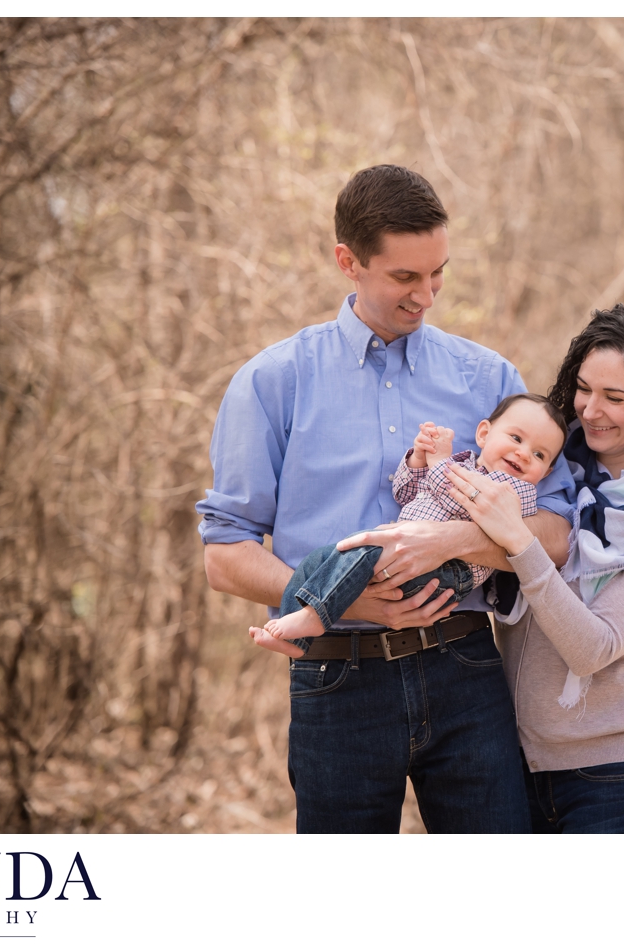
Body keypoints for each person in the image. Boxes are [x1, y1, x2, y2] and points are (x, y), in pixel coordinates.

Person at [197, 164, 576, 833]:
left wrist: (457, 541)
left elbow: (555, 530)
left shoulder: (489, 380)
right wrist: (336, 596)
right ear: (348, 261)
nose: (427, 295)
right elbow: (225, 555)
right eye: (406, 277)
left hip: (466, 668)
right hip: (338, 681)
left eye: (438, 273)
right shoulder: (272, 383)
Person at [439, 303, 624, 833]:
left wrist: (518, 539)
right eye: (584, 388)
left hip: (621, 776)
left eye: (616, 398)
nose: (590, 410)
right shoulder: (544, 467)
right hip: (516, 764)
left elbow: (593, 647)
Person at [248, 393, 565, 653]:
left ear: (546, 471)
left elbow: (460, 498)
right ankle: (294, 632)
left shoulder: (517, 492)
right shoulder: (460, 464)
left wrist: (438, 461)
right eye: (516, 438)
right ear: (484, 433)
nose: (524, 454)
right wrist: (419, 458)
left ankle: (316, 618)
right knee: (320, 559)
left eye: (539, 455)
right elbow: (405, 491)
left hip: (448, 574)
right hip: (405, 552)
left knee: (365, 548)